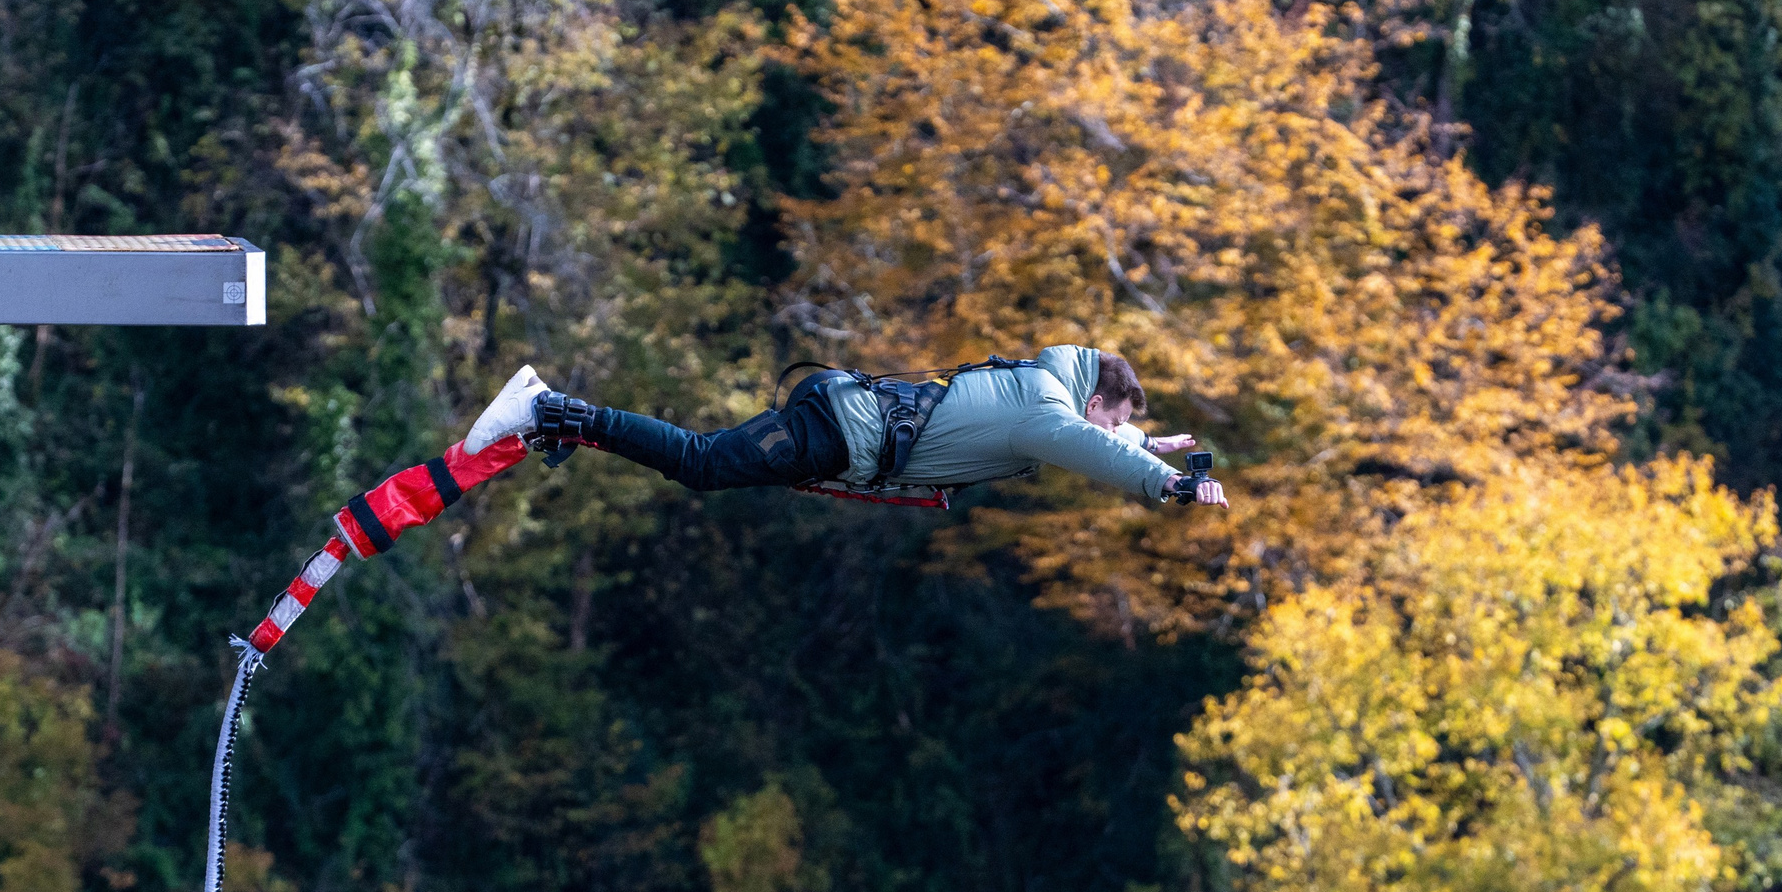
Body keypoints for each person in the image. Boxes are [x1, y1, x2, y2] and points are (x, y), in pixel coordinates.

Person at [456, 346, 1230, 508]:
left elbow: (1094, 437)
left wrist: (1144, 444)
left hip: (842, 414)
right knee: (697, 462)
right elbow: (1083, 444)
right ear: (1097, 398)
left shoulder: (1044, 385)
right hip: (841, 432)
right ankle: (553, 409)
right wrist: (1164, 480)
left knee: (699, 461)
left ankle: (560, 418)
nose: (1113, 428)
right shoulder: (1045, 411)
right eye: (1119, 416)